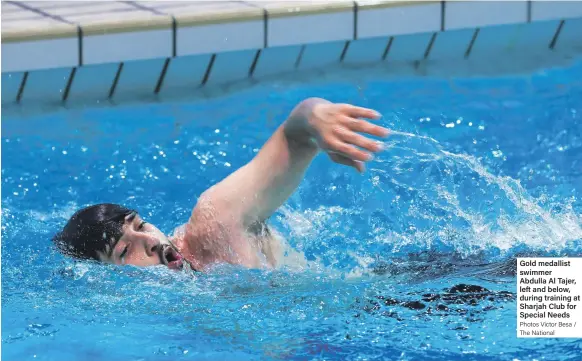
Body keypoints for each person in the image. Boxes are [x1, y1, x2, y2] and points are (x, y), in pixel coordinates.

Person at [53, 98, 389, 272]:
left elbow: (295, 134)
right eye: (125, 251)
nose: (151, 241)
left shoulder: (212, 226)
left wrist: (316, 117)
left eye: (141, 225)